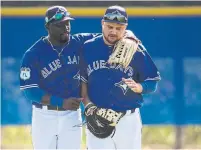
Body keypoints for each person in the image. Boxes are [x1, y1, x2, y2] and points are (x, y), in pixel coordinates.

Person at [19, 6, 101, 149]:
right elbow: (30, 91)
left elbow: (108, 36)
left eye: (68, 23)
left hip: (71, 115)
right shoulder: (33, 54)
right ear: (48, 26)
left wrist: (128, 35)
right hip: (44, 116)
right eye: (60, 25)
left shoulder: (80, 41)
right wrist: (60, 102)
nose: (66, 27)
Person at [80, 5, 161, 149]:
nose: (113, 31)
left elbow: (152, 81)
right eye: (110, 26)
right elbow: (82, 82)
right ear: (102, 23)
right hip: (98, 116)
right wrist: (88, 105)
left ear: (125, 27)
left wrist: (140, 87)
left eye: (119, 28)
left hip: (128, 121)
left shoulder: (135, 49)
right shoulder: (88, 47)